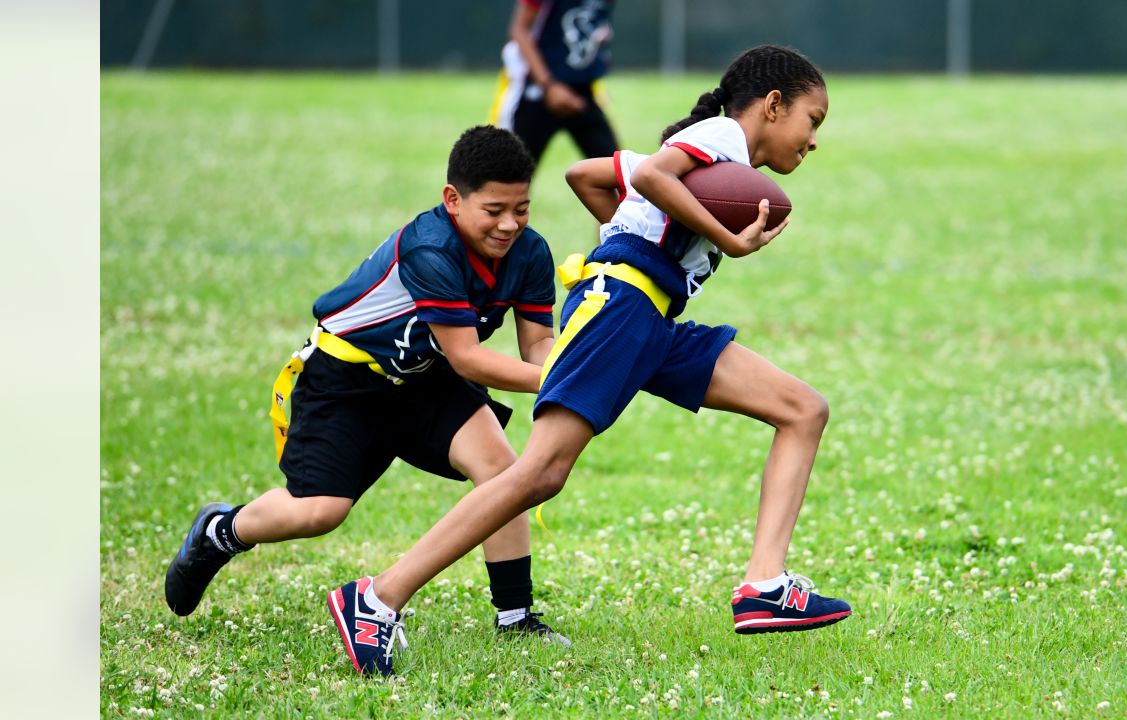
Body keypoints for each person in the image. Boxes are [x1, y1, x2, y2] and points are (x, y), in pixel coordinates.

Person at [330, 44, 849, 676]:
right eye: (812, 119)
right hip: (621, 307)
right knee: (540, 472)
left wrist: (634, 227)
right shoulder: (718, 136)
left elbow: (587, 176)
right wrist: (718, 241)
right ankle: (376, 599)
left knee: (802, 409)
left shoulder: (717, 153)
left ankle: (764, 585)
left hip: (653, 320)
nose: (814, 138)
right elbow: (655, 177)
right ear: (773, 105)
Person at [164, 126, 571, 656]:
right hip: (347, 379)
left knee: (506, 474)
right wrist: (565, 378)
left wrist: (568, 363)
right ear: (453, 200)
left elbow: (537, 342)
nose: (509, 224)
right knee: (318, 512)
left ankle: (515, 618)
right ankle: (220, 530)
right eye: (494, 209)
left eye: (522, 208)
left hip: (426, 379)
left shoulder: (530, 252)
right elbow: (468, 357)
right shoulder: (431, 248)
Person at [488, 0, 619, 167]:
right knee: (506, 177)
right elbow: (519, 29)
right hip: (535, 90)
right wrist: (549, 85)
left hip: (582, 90)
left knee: (619, 176)